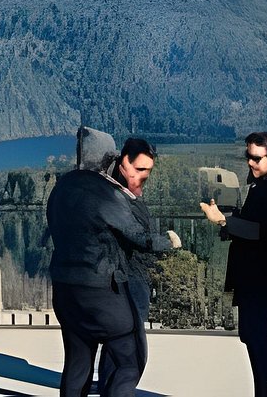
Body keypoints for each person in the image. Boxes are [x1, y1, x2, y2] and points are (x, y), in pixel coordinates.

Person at [46, 129, 175, 397]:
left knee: (77, 363)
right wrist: (170, 242)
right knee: (129, 358)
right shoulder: (106, 194)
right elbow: (140, 237)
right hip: (100, 290)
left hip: (65, 289)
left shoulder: (61, 189)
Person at [200, 130, 267, 397]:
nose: (251, 163)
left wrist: (224, 221)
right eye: (249, 157)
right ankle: (266, 390)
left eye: (257, 158)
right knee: (251, 335)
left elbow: (262, 231)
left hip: (264, 276)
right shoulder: (265, 185)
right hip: (256, 275)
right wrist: (230, 220)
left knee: (255, 335)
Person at [97, 137, 181, 393]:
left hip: (130, 276)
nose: (144, 176)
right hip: (127, 279)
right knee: (132, 353)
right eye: (139, 169)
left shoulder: (122, 191)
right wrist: (167, 243)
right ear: (124, 163)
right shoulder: (116, 197)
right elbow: (135, 235)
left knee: (119, 346)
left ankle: (108, 388)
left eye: (148, 170)